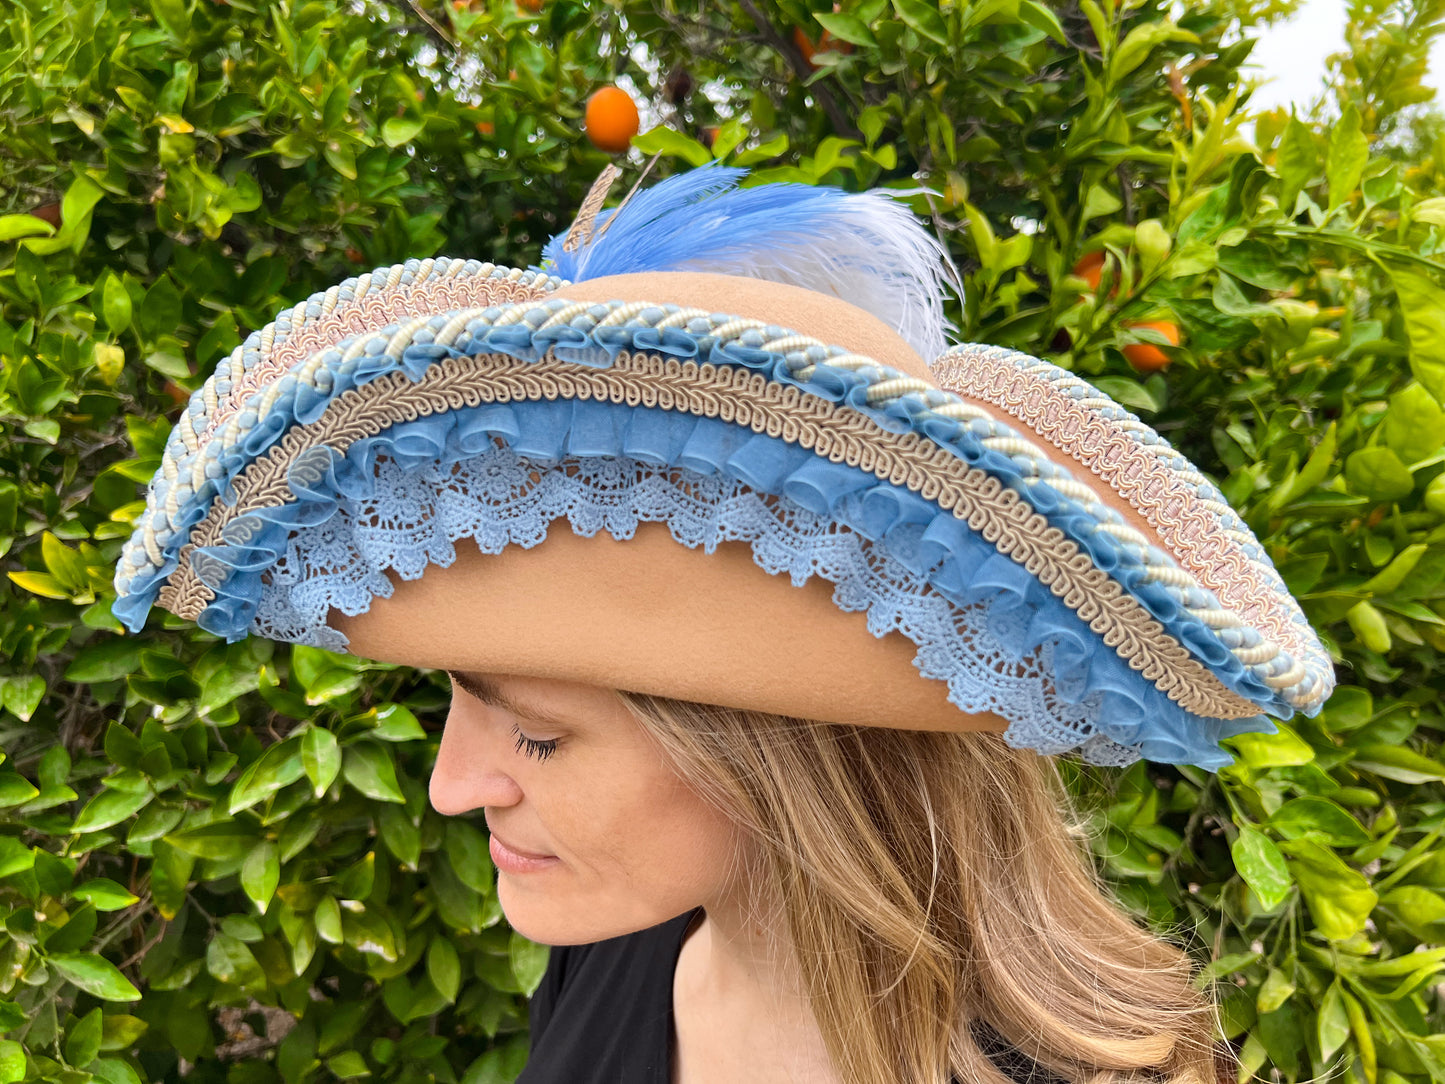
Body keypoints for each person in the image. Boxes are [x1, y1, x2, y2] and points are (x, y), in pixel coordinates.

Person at [112, 163, 1335, 1084]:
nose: (449, 786)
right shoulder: (616, 954)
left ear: (777, 752)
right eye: (462, 705)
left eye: (537, 736)